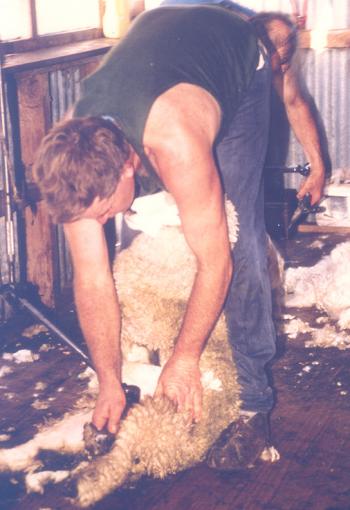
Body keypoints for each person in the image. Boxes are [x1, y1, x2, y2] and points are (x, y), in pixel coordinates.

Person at [32, 5, 324, 471]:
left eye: (107, 208)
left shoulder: (176, 141)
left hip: (234, 62)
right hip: (159, 46)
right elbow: (92, 281)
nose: (106, 218)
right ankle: (136, 374)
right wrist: (107, 379)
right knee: (137, 240)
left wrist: (186, 359)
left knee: (236, 235)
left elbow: (217, 263)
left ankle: (254, 406)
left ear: (130, 164)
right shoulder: (74, 161)